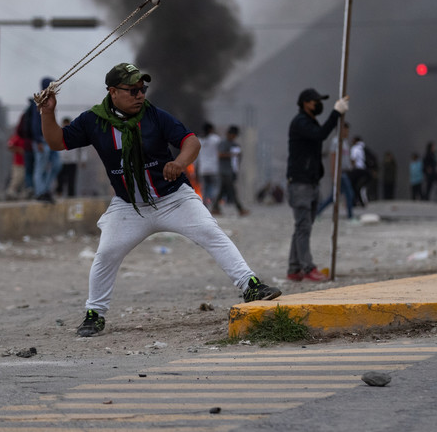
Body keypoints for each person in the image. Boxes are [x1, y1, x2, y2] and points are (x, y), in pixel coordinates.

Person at [38, 62, 281, 337]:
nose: (140, 95)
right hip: (129, 206)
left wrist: (179, 162)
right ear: (113, 92)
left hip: (174, 198)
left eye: (142, 89)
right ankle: (95, 314)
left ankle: (251, 285)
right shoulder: (93, 121)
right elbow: (57, 142)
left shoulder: (155, 116)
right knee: (106, 254)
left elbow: (191, 141)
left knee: (211, 232)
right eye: (132, 90)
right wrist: (48, 113)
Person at [286, 87, 349, 282]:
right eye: (315, 101)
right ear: (305, 102)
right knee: (303, 226)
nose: (318, 104)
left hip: (310, 181)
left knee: (303, 226)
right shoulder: (301, 122)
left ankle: (294, 268)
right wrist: (336, 113)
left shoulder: (309, 122)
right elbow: (321, 134)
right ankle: (307, 268)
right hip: (300, 183)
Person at [30, 76, 62, 203]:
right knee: (40, 167)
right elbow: (35, 122)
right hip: (41, 140)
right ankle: (40, 192)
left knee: (57, 165)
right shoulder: (38, 102)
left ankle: (47, 189)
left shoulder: (51, 101)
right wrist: (37, 140)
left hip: (52, 140)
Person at [215, 125, 249, 217]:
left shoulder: (235, 145)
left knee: (223, 190)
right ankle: (240, 208)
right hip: (224, 171)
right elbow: (220, 154)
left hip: (232, 171)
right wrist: (232, 154)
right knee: (232, 190)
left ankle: (215, 208)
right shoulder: (223, 143)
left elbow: (238, 158)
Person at [196, 122, 222, 213]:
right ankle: (214, 205)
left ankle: (205, 206)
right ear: (211, 130)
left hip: (203, 169)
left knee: (205, 188)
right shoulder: (215, 139)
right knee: (214, 187)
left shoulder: (199, 140)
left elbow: (197, 157)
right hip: (214, 168)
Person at [54, 117, 81, 198]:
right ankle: (59, 193)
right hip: (61, 161)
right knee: (60, 179)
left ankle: (71, 195)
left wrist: (83, 159)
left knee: (71, 179)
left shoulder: (75, 134)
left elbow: (82, 148)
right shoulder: (58, 134)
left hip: (72, 161)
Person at [348, 135, 370, 206]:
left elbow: (353, 160)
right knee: (359, 187)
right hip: (364, 170)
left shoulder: (355, 148)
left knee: (353, 186)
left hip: (357, 170)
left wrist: (351, 168)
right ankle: (360, 201)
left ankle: (355, 201)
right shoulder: (363, 148)